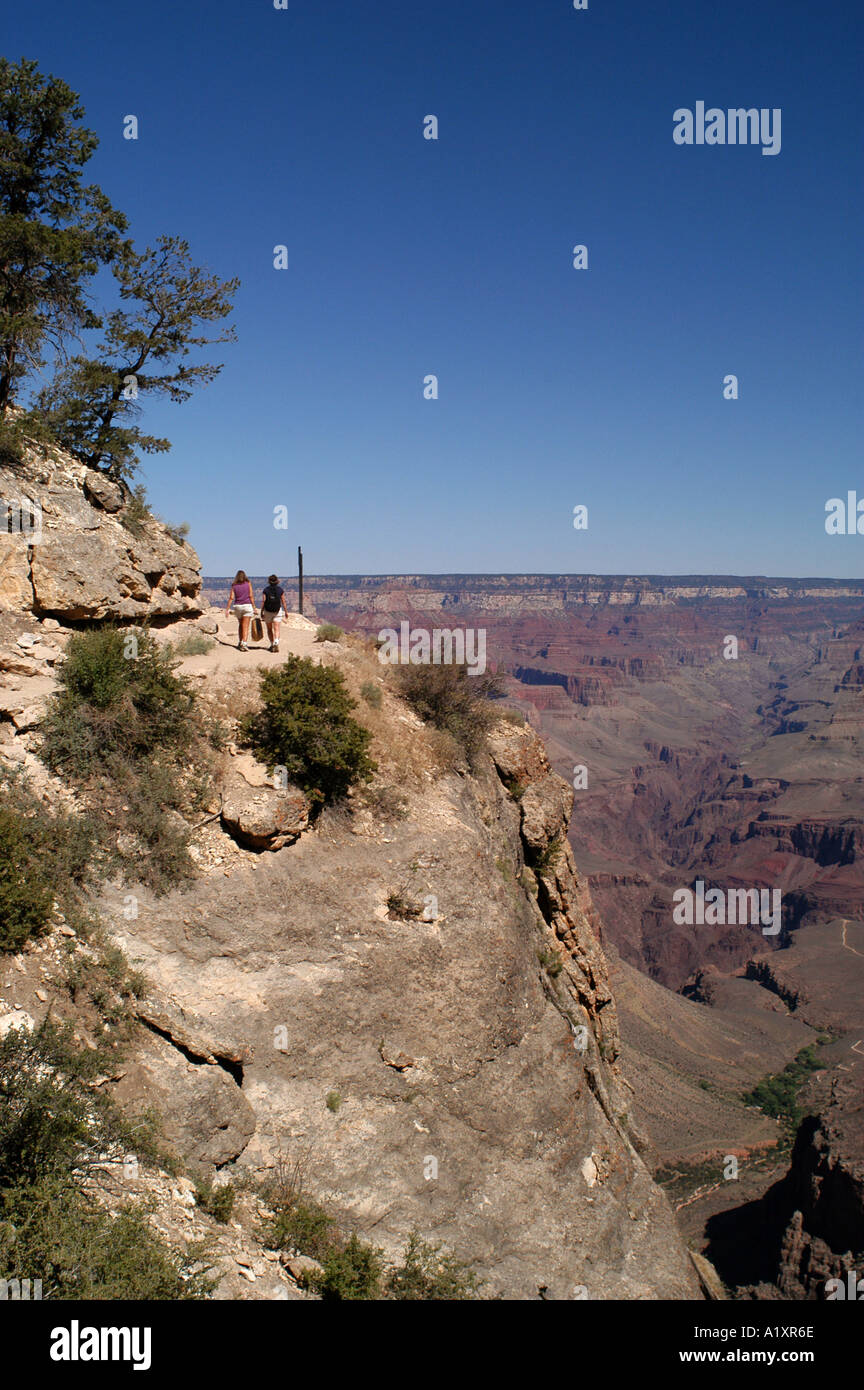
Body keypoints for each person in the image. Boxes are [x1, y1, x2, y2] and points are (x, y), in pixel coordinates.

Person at [226, 570, 257, 650]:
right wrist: (254, 607)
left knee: (241, 624)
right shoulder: (248, 584)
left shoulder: (234, 585)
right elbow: (251, 596)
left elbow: (231, 598)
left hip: (238, 606)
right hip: (247, 606)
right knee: (246, 626)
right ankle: (244, 643)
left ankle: (240, 641)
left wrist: (227, 609)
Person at [260, 573, 290, 651]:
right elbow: (283, 601)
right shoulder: (280, 590)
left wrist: (261, 612)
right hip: (277, 611)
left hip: (268, 611)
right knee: (276, 628)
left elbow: (263, 601)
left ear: (269, 581)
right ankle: (276, 642)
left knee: (269, 629)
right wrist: (286, 612)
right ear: (277, 581)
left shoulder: (266, 590)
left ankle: (272, 644)